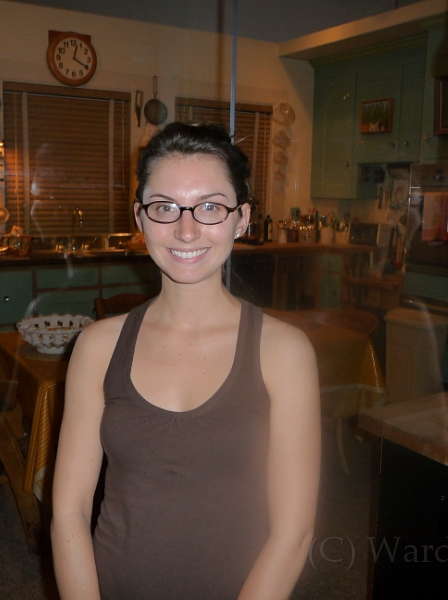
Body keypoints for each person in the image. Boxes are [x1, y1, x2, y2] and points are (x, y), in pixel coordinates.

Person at [51, 122, 320, 600]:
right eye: (165, 207)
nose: (187, 229)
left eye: (210, 207)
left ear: (242, 219)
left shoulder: (284, 352)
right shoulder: (97, 347)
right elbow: (68, 512)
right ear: (140, 218)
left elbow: (293, 533)